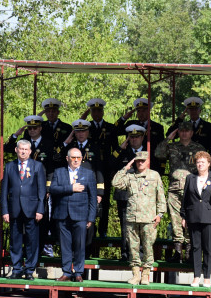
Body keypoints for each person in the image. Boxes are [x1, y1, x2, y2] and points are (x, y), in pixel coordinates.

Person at [112, 151, 166, 285]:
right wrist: (126, 168)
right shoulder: (130, 176)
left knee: (148, 247)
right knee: (133, 248)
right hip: (132, 218)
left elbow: (161, 196)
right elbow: (115, 183)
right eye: (138, 161)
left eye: (143, 160)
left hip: (149, 219)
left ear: (147, 161)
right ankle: (136, 274)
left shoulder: (154, 176)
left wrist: (160, 214)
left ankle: (146, 274)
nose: (140, 163)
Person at [155, 121, 205, 262]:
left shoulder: (198, 148)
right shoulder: (172, 146)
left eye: (187, 131)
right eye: (181, 131)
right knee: (175, 219)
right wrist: (168, 138)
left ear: (191, 132)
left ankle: (189, 251)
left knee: (191, 218)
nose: (184, 133)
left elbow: (205, 166)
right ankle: (178, 252)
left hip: (192, 189)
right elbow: (158, 153)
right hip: (175, 188)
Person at [1, 139, 47, 280]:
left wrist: (40, 209)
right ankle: (16, 269)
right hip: (14, 209)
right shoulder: (9, 166)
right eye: (21, 149)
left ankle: (29, 270)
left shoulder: (37, 166)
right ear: (16, 150)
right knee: (15, 241)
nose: (23, 152)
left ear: (30, 151)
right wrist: (5, 211)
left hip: (32, 209)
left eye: (26, 149)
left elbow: (42, 190)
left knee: (32, 241)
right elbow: (4, 191)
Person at [49, 148, 97, 282]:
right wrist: (71, 188)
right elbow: (53, 189)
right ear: (67, 158)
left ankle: (78, 272)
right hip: (62, 215)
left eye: (79, 158)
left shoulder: (88, 174)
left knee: (80, 245)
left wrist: (91, 218)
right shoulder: (59, 172)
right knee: (65, 246)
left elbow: (93, 198)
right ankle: (66, 272)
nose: (76, 160)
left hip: (81, 215)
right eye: (73, 157)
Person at [61, 119, 104, 258]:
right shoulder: (70, 147)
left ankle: (87, 254)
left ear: (88, 132)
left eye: (83, 131)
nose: (81, 134)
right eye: (78, 131)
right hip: (72, 190)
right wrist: (66, 142)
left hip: (89, 190)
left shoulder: (95, 147)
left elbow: (99, 169)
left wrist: (99, 192)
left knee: (89, 224)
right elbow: (57, 158)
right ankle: (73, 254)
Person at [181, 151, 211, 287]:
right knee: (195, 247)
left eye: (203, 162)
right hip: (193, 217)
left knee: (208, 248)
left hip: (210, 217)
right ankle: (196, 276)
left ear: (209, 164)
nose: (200, 164)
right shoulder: (190, 178)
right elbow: (185, 198)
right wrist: (184, 216)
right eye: (198, 162)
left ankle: (207, 277)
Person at [109, 124, 153, 260]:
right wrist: (120, 148)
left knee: (143, 225)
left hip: (143, 195)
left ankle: (141, 253)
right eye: (131, 137)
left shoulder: (148, 152)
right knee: (125, 226)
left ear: (142, 137)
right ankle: (125, 252)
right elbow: (110, 164)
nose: (134, 140)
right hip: (124, 195)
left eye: (137, 137)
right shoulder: (122, 152)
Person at [82, 98, 119, 238]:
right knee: (88, 199)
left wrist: (114, 168)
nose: (96, 114)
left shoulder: (111, 127)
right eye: (93, 111)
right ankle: (90, 229)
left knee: (105, 199)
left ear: (103, 112)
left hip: (106, 168)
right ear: (91, 113)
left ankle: (103, 229)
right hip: (90, 168)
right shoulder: (87, 127)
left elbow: (115, 149)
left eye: (99, 111)